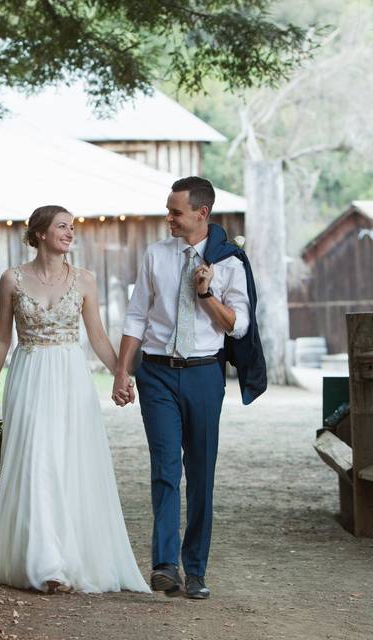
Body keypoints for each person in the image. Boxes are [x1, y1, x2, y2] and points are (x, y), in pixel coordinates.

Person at [0, 205, 150, 595]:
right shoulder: (12, 279)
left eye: (72, 227)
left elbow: (99, 338)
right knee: (37, 460)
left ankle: (74, 556)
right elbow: (2, 337)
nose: (70, 233)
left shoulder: (85, 281)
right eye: (62, 227)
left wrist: (120, 374)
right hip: (30, 374)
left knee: (70, 461)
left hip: (72, 377)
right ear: (40, 233)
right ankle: (46, 564)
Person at [112, 176, 265, 600]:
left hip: (203, 375)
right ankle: (164, 566)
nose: (169, 218)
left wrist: (206, 292)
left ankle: (195, 569)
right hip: (156, 373)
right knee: (165, 468)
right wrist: (122, 371)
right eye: (168, 209)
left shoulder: (230, 262)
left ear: (202, 213)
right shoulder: (155, 255)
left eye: (175, 211)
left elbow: (239, 325)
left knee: (200, 472)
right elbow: (136, 316)